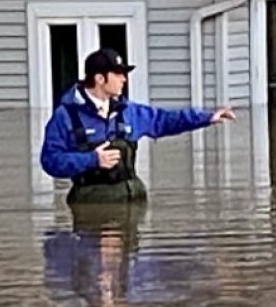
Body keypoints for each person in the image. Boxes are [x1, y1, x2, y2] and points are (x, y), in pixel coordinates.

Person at [40, 48, 235, 205]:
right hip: (90, 209)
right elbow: (50, 161)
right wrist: (92, 159)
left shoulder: (128, 111)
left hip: (132, 204)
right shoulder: (65, 116)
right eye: (118, 74)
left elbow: (164, 120)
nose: (124, 79)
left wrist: (207, 117)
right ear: (100, 79)